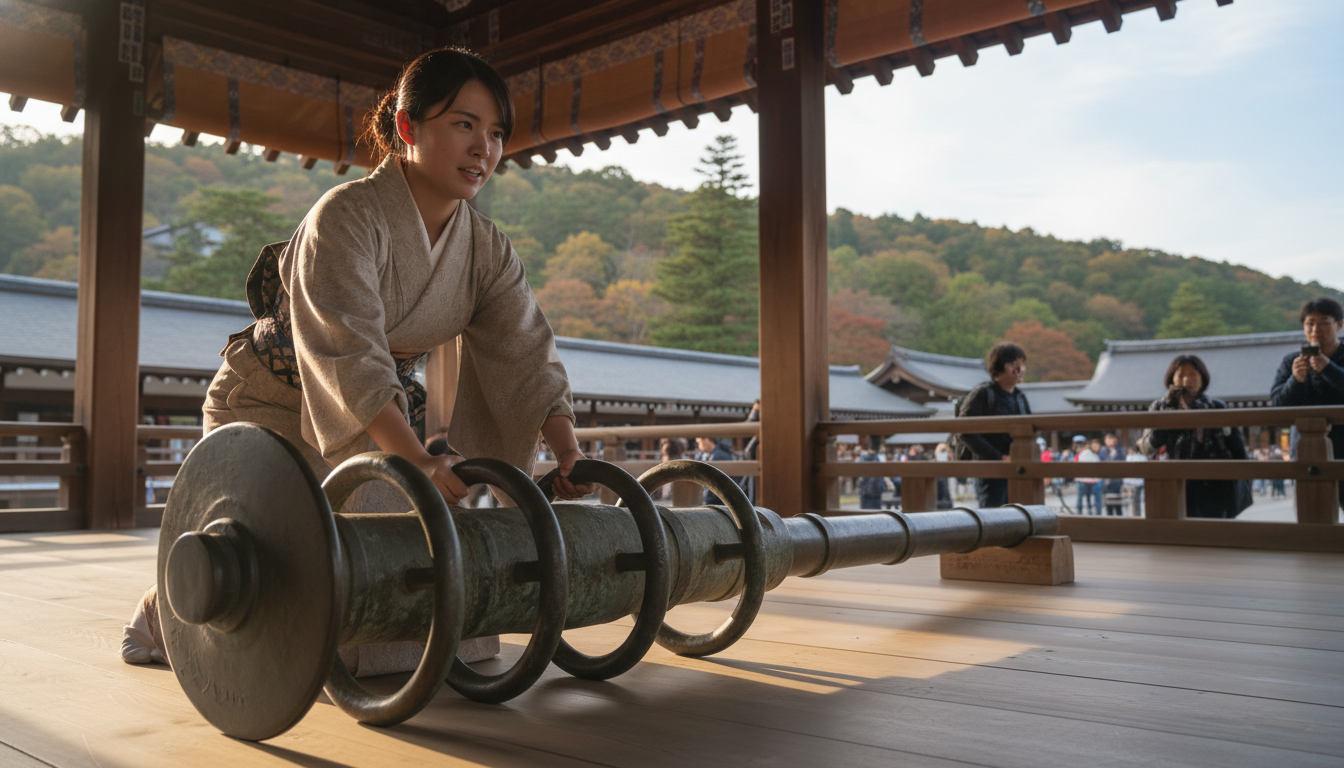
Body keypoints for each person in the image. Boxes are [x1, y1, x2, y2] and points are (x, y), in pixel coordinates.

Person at [122, 47, 593, 665]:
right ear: (407, 128)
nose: (485, 148)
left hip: (374, 418)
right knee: (328, 545)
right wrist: (416, 462)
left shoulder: (487, 249)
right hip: (273, 404)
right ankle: (167, 609)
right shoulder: (344, 217)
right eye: (464, 124)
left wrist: (567, 452)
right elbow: (352, 354)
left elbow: (526, 351)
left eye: (497, 132)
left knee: (435, 559)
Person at [1138, 354, 1251, 518]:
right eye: (1181, 375)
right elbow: (1148, 446)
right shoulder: (1160, 407)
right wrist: (1165, 417)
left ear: (1202, 378)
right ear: (1172, 379)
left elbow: (1236, 446)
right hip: (1175, 480)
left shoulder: (1216, 407)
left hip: (1214, 481)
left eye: (1193, 374)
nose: (1186, 380)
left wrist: (1244, 476)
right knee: (1179, 531)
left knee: (1214, 531)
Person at [1270, 297, 1344, 507]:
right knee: (1313, 514)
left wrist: (1328, 368)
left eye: (1324, 322)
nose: (1315, 329)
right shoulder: (1291, 360)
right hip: (1306, 450)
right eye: (1310, 323)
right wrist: (1296, 379)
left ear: (1339, 325)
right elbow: (1277, 405)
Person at [957, 342, 1031, 508]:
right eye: (1014, 365)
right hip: (990, 470)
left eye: (1022, 365)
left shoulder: (1020, 397)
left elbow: (1030, 429)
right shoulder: (983, 393)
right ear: (999, 367)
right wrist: (998, 457)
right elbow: (964, 430)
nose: (1019, 370)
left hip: (1017, 468)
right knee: (993, 519)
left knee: (1019, 516)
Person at [695, 436, 735, 505]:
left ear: (706, 440)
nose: (699, 445)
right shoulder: (713, 454)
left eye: (699, 441)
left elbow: (718, 485)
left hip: (719, 502)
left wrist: (707, 502)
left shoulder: (718, 456)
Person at [1098, 433, 1127, 516]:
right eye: (1107, 439)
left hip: (1118, 480)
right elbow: (1102, 462)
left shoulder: (1120, 449)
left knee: (1118, 504)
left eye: (1110, 438)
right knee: (1109, 504)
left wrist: (1115, 450)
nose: (1109, 441)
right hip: (1107, 481)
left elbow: (1122, 460)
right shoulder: (1103, 450)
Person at [858, 445, 889, 510]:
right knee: (875, 510)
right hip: (875, 490)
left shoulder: (863, 458)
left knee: (866, 511)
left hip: (867, 490)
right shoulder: (878, 458)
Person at [1075, 439, 1102, 515]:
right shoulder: (1085, 453)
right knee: (1083, 498)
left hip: (1094, 480)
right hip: (1084, 479)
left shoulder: (1098, 454)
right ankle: (1079, 513)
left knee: (1093, 499)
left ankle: (1097, 514)